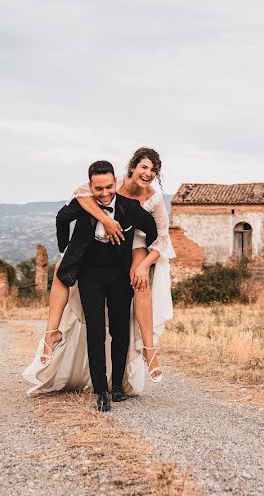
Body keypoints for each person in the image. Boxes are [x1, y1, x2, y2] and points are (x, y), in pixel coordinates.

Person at [25, 160, 157, 411]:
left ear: (115, 183)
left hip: (120, 276)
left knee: (120, 331)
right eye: (99, 189)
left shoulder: (131, 208)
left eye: (109, 187)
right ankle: (100, 391)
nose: (105, 193)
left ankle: (116, 386)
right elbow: (61, 218)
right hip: (90, 274)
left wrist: (141, 260)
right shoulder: (82, 205)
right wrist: (66, 249)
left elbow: (152, 230)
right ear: (90, 187)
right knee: (95, 330)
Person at [69, 147, 174, 382]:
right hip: (110, 240)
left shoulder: (155, 199)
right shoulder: (112, 184)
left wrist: (144, 265)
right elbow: (80, 194)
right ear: (133, 166)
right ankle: (52, 333)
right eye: (144, 167)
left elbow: (163, 238)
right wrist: (105, 219)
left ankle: (150, 350)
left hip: (138, 242)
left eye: (153, 170)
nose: (148, 173)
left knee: (140, 282)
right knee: (66, 269)